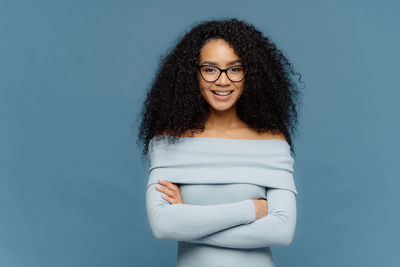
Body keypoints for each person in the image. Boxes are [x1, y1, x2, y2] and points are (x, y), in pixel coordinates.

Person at [137, 18, 302, 267]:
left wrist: (190, 224)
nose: (223, 81)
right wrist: (251, 210)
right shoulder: (167, 143)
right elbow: (163, 225)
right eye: (210, 69)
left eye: (235, 69)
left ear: (251, 74)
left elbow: (281, 231)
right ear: (193, 75)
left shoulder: (272, 143)